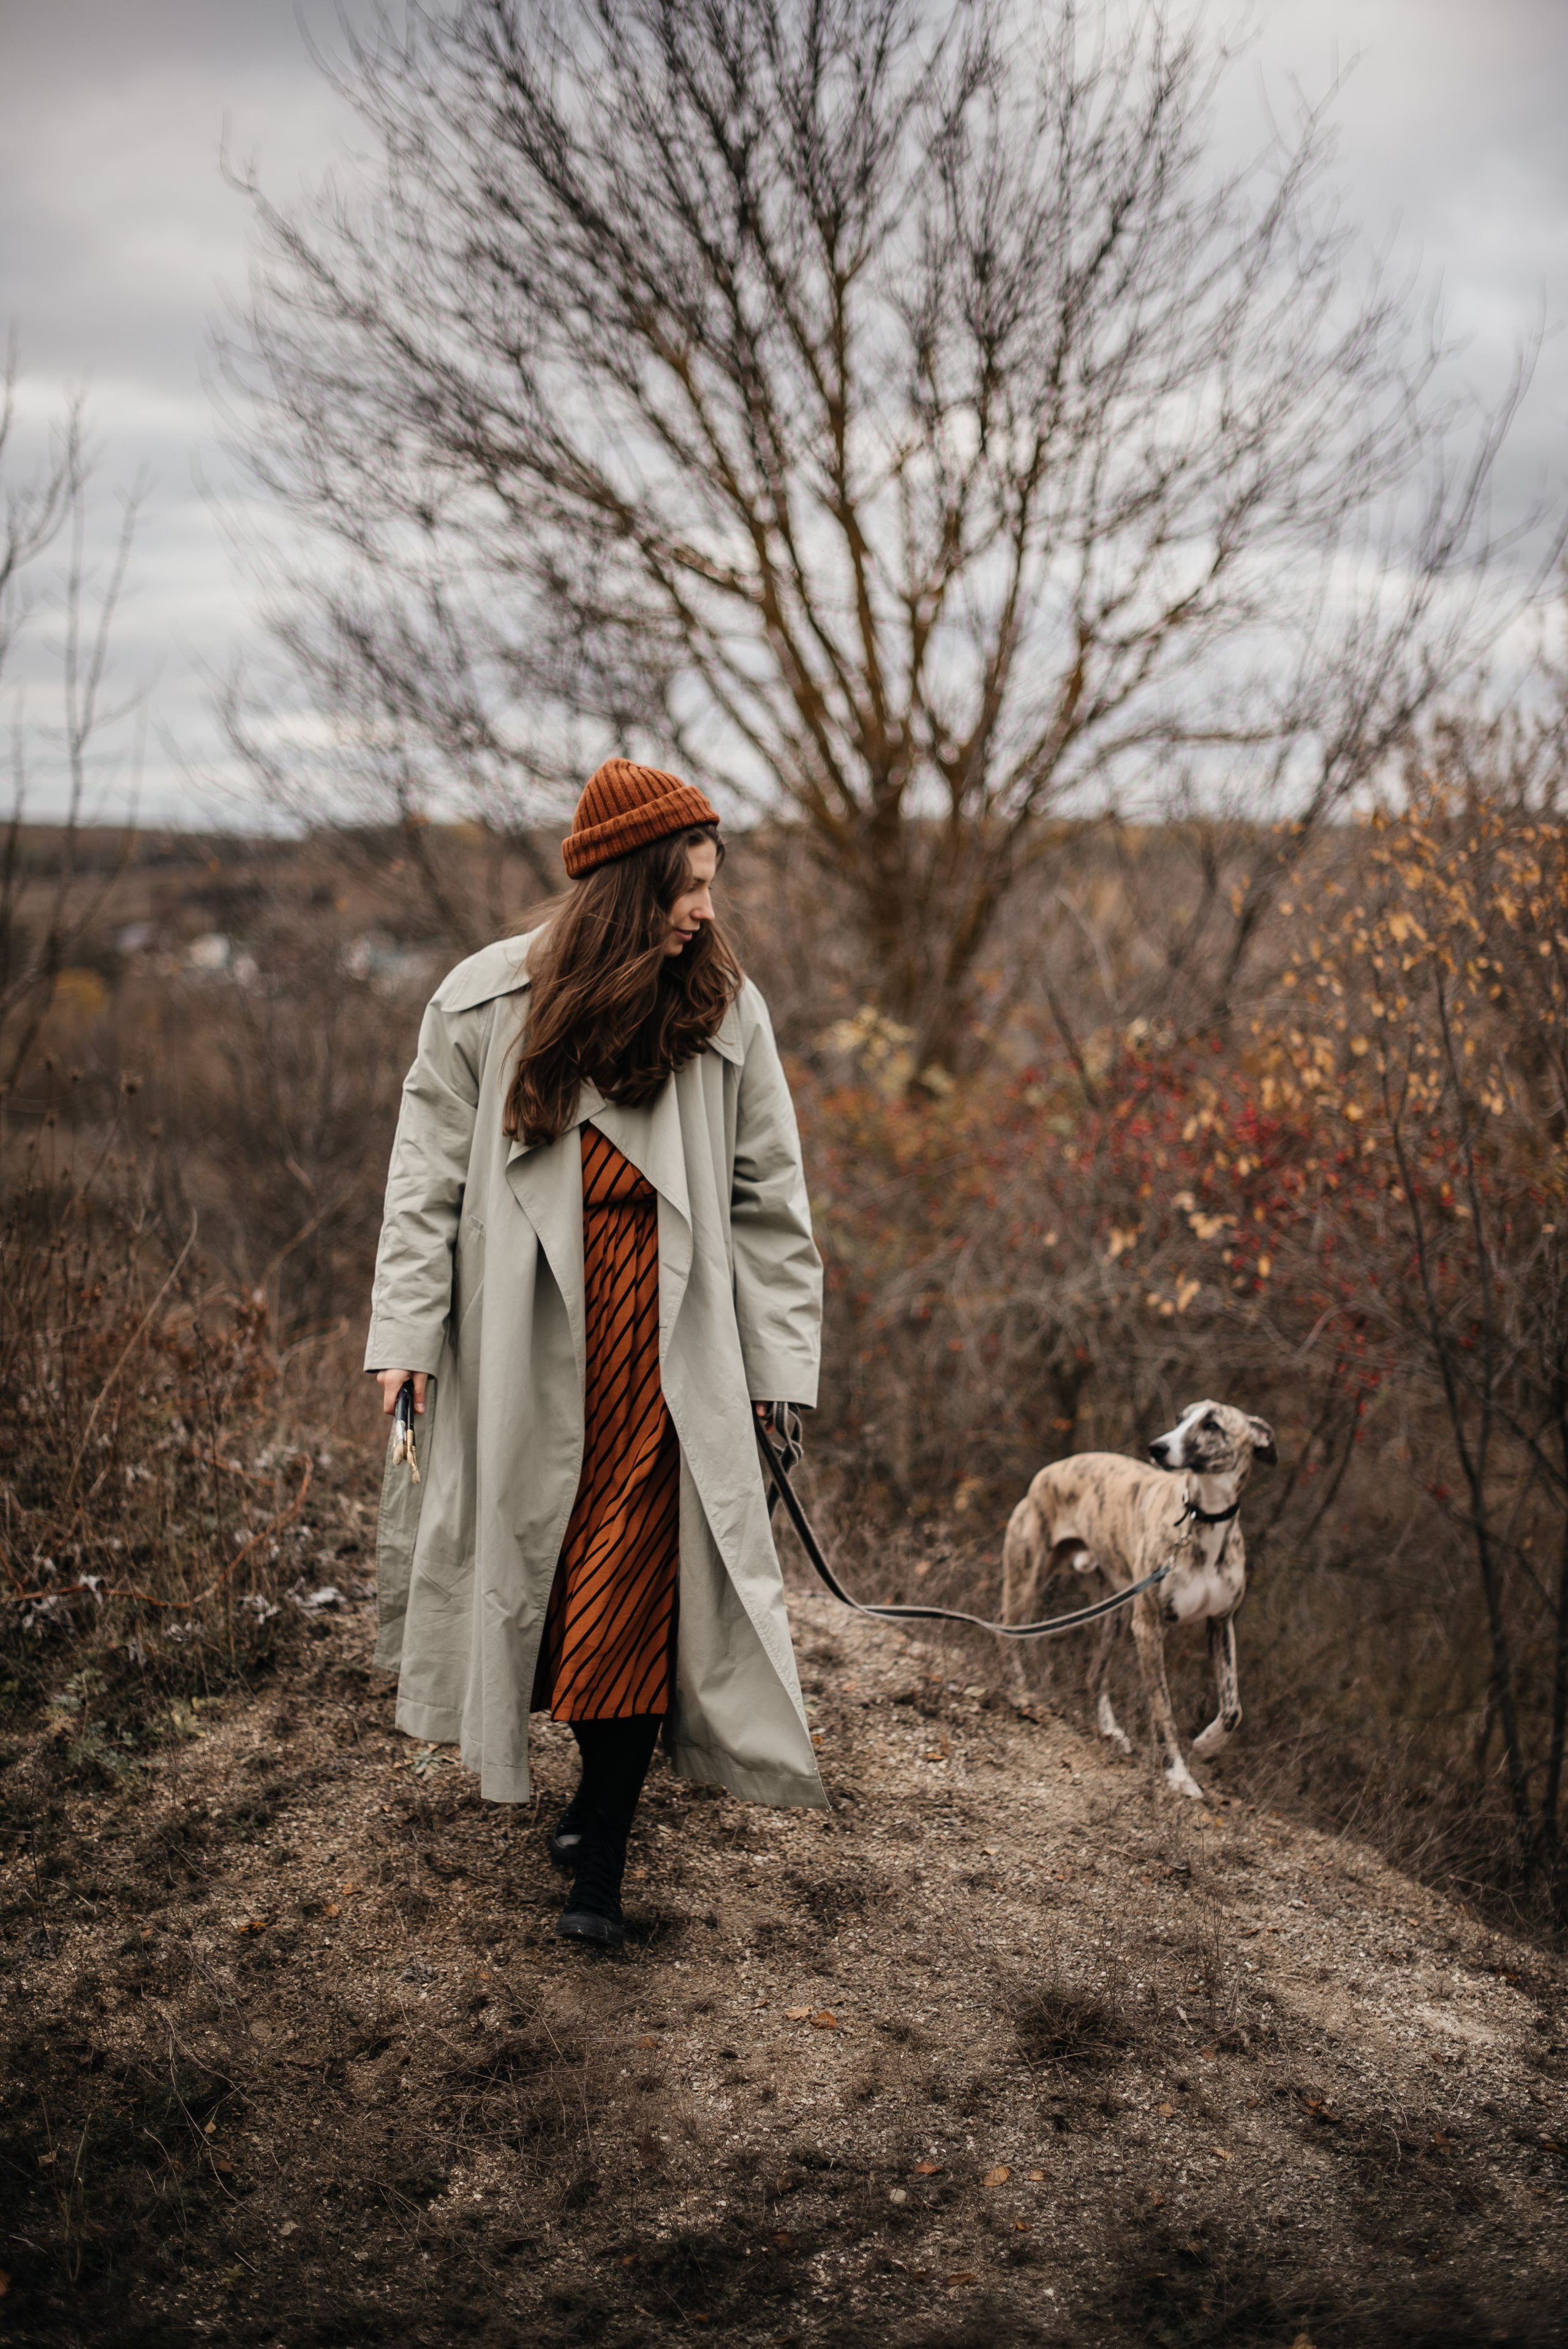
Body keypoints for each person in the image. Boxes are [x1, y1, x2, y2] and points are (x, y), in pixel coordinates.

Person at [365, 758, 825, 1948]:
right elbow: (420, 1189)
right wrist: (406, 1339)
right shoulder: (480, 1007)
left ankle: (599, 1866)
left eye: (712, 885)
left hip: (670, 1354)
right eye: (687, 886)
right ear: (626, 887)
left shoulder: (723, 1010)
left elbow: (771, 1206)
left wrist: (776, 1378)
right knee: (549, 1588)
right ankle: (585, 1801)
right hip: (525, 1348)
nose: (704, 911)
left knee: (633, 1599)